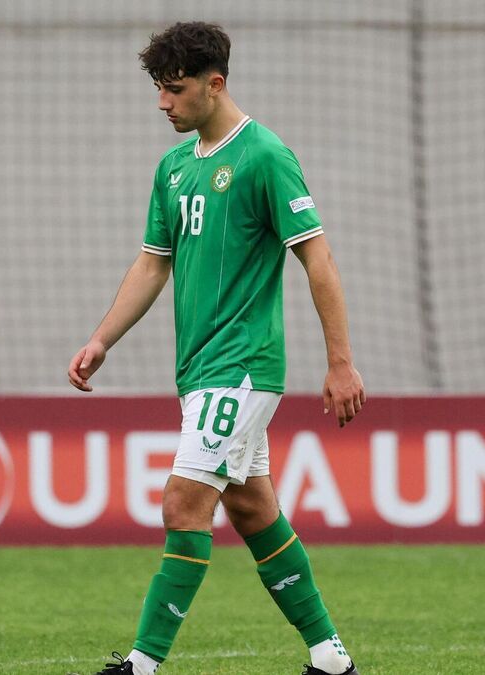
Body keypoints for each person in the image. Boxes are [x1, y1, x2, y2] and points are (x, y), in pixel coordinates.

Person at [67, 21, 364, 675]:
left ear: (215, 83)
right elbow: (153, 263)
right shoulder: (173, 168)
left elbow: (317, 258)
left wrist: (340, 361)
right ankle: (330, 657)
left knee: (182, 502)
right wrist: (101, 338)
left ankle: (142, 663)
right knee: (253, 509)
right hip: (200, 370)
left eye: (174, 90)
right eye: (159, 89)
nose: (162, 103)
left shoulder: (264, 156)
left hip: (243, 365)